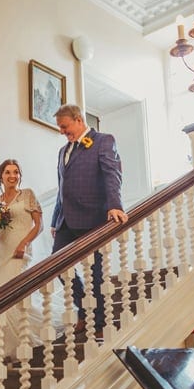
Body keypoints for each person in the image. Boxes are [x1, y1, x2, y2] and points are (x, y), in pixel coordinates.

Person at [50, 104, 128, 337]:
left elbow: (112, 174)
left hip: (93, 216)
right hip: (66, 220)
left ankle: (101, 323)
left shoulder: (103, 141)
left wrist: (115, 205)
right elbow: (61, 189)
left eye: (65, 127)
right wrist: (55, 219)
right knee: (57, 266)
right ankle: (86, 311)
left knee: (96, 274)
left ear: (78, 120)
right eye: (61, 129)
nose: (63, 132)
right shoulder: (62, 151)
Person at [0, 159, 44, 358]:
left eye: (16, 172)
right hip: (0, 253)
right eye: (8, 172)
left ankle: (25, 344)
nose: (12, 176)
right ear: (1, 176)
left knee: (11, 297)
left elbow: (39, 225)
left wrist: (24, 243)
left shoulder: (27, 195)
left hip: (20, 252)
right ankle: (7, 347)